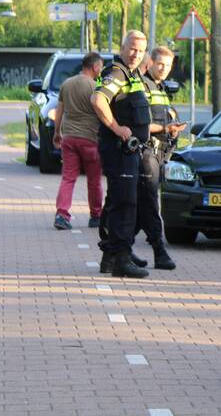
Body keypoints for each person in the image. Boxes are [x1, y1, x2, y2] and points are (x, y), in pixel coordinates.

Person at [92, 31, 151, 279]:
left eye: (140, 49)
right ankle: (121, 260)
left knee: (118, 201)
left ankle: (111, 255)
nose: (135, 53)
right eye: (132, 48)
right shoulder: (116, 72)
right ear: (123, 47)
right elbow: (98, 99)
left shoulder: (132, 74)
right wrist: (116, 128)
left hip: (129, 151)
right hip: (119, 149)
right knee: (125, 204)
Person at [138, 46, 187, 271]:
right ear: (151, 63)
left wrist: (172, 130)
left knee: (140, 207)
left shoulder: (161, 89)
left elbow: (164, 120)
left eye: (168, 66)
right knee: (150, 202)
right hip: (146, 152)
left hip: (159, 153)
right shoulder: (144, 87)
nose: (164, 69)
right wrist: (167, 128)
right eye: (160, 64)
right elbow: (142, 125)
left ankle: (119, 249)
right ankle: (159, 251)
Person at [52, 52, 105, 230]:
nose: (102, 70)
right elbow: (101, 112)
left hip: (69, 138)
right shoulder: (96, 87)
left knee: (68, 178)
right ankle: (96, 215)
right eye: (101, 67)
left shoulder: (67, 84)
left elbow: (59, 110)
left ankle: (62, 214)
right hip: (90, 140)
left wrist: (57, 132)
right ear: (95, 67)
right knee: (94, 180)